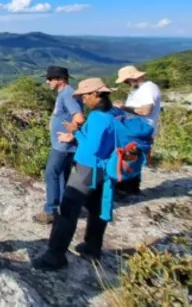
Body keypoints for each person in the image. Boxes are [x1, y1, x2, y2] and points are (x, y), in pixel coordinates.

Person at [33, 78, 120, 271]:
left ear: (96, 94)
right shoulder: (113, 112)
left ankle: (54, 257)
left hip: (88, 167)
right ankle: (92, 248)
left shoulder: (98, 117)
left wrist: (76, 132)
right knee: (97, 208)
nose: (83, 99)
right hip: (105, 170)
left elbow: (92, 147)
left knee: (67, 211)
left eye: (85, 95)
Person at [35, 66, 86, 224]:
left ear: (61, 80)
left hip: (63, 146)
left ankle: (51, 210)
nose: (47, 81)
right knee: (62, 175)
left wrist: (71, 135)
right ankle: (65, 208)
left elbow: (79, 118)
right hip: (65, 145)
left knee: (51, 173)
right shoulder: (66, 93)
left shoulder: (67, 94)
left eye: (50, 78)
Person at [113, 65, 162, 196]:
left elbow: (146, 110)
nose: (125, 83)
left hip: (141, 125)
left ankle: (124, 186)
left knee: (127, 152)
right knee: (133, 153)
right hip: (138, 125)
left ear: (132, 78)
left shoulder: (148, 88)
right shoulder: (140, 88)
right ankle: (131, 186)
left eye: (126, 80)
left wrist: (124, 108)